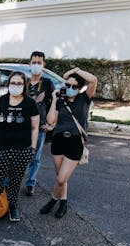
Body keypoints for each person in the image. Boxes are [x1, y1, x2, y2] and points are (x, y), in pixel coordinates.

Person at [0, 71, 39, 222]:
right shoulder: (0, 101)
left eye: (19, 83)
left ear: (24, 85)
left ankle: (12, 207)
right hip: (1, 149)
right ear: (8, 84)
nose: (16, 86)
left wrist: (32, 148)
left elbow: (34, 127)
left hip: (22, 150)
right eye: (13, 83)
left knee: (15, 181)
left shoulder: (30, 103)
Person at [40, 66, 98, 219]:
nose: (70, 88)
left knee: (60, 179)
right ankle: (63, 202)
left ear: (79, 88)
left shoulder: (84, 99)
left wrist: (76, 71)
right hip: (58, 141)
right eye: (68, 85)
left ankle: (53, 200)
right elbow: (51, 120)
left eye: (74, 86)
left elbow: (93, 80)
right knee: (60, 176)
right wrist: (53, 99)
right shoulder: (60, 101)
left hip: (75, 142)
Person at [24, 51, 55, 196]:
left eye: (39, 62)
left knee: (35, 157)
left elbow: (55, 105)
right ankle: (12, 181)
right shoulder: (24, 83)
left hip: (40, 127)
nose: (36, 65)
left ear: (43, 65)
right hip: (22, 126)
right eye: (34, 62)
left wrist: (51, 125)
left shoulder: (48, 84)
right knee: (19, 155)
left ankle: (31, 182)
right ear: (29, 64)